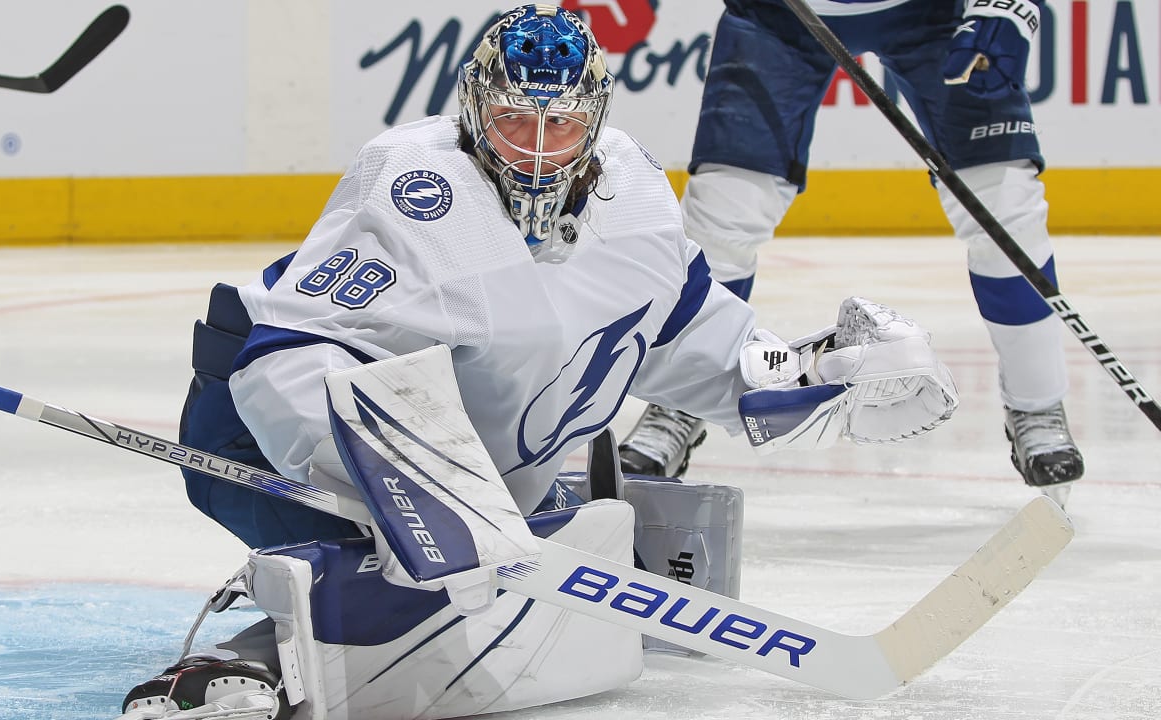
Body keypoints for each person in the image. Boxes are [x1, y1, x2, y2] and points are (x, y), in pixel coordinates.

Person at [117, 6, 958, 719]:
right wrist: (401, 484)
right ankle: (247, 661)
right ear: (475, 112)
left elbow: (682, 335)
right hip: (264, 434)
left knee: (502, 562)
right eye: (517, 120)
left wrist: (816, 375)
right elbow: (288, 359)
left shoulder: (632, 191)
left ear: (595, 118)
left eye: (562, 125)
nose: (539, 148)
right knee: (408, 581)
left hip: (471, 457)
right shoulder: (417, 187)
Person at [619, 0, 1084, 504]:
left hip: (935, 16)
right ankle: (676, 406)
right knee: (724, 212)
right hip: (778, 16)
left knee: (1003, 205)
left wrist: (1010, 8)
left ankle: (1037, 405)